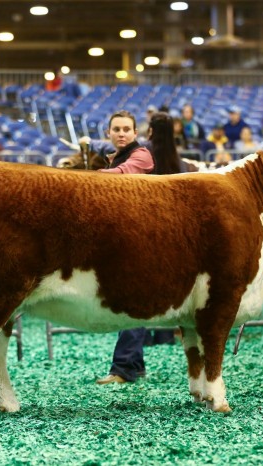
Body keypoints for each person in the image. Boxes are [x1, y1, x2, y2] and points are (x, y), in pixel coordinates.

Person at [96, 110, 181, 385]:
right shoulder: (116, 155)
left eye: (126, 129)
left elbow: (121, 175)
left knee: (133, 303)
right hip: (134, 237)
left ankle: (123, 369)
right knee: (133, 302)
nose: (121, 133)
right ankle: (133, 365)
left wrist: (86, 177)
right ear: (109, 133)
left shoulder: (141, 155)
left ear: (135, 133)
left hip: (148, 239)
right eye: (116, 129)